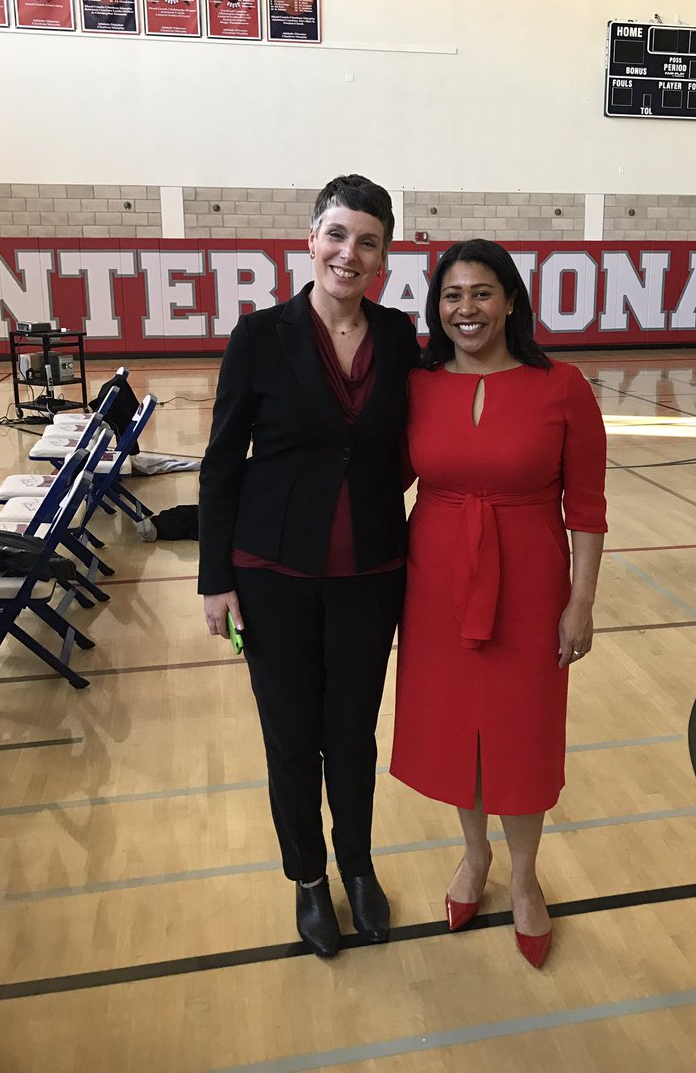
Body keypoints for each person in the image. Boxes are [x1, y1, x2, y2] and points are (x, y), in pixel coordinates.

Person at [199, 174, 420, 958]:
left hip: (370, 574)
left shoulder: (400, 337)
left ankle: (357, 866)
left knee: (353, 736)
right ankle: (308, 878)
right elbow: (222, 461)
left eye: (368, 241)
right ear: (311, 240)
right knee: (292, 740)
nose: (348, 253)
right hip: (272, 573)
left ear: (385, 257)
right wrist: (215, 578)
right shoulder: (261, 336)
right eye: (337, 234)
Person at [390, 239, 607, 969]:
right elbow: (379, 476)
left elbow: (587, 508)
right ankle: (475, 854)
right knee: (459, 727)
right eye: (452, 295)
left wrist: (581, 602)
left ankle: (524, 876)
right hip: (437, 581)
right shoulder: (418, 385)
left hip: (531, 584)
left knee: (521, 730)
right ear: (436, 308)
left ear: (511, 300)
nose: (467, 309)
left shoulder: (562, 387)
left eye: (482, 292)